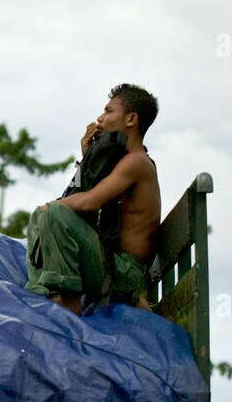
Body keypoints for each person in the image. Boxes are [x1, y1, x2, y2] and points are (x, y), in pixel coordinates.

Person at [25, 84, 161, 314]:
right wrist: (87, 158)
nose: (100, 118)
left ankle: (68, 299)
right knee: (44, 214)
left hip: (125, 274)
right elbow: (81, 203)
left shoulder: (136, 162)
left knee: (53, 212)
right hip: (109, 263)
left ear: (131, 119)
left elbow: (90, 202)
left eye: (108, 111)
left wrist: (51, 207)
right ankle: (45, 290)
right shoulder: (120, 161)